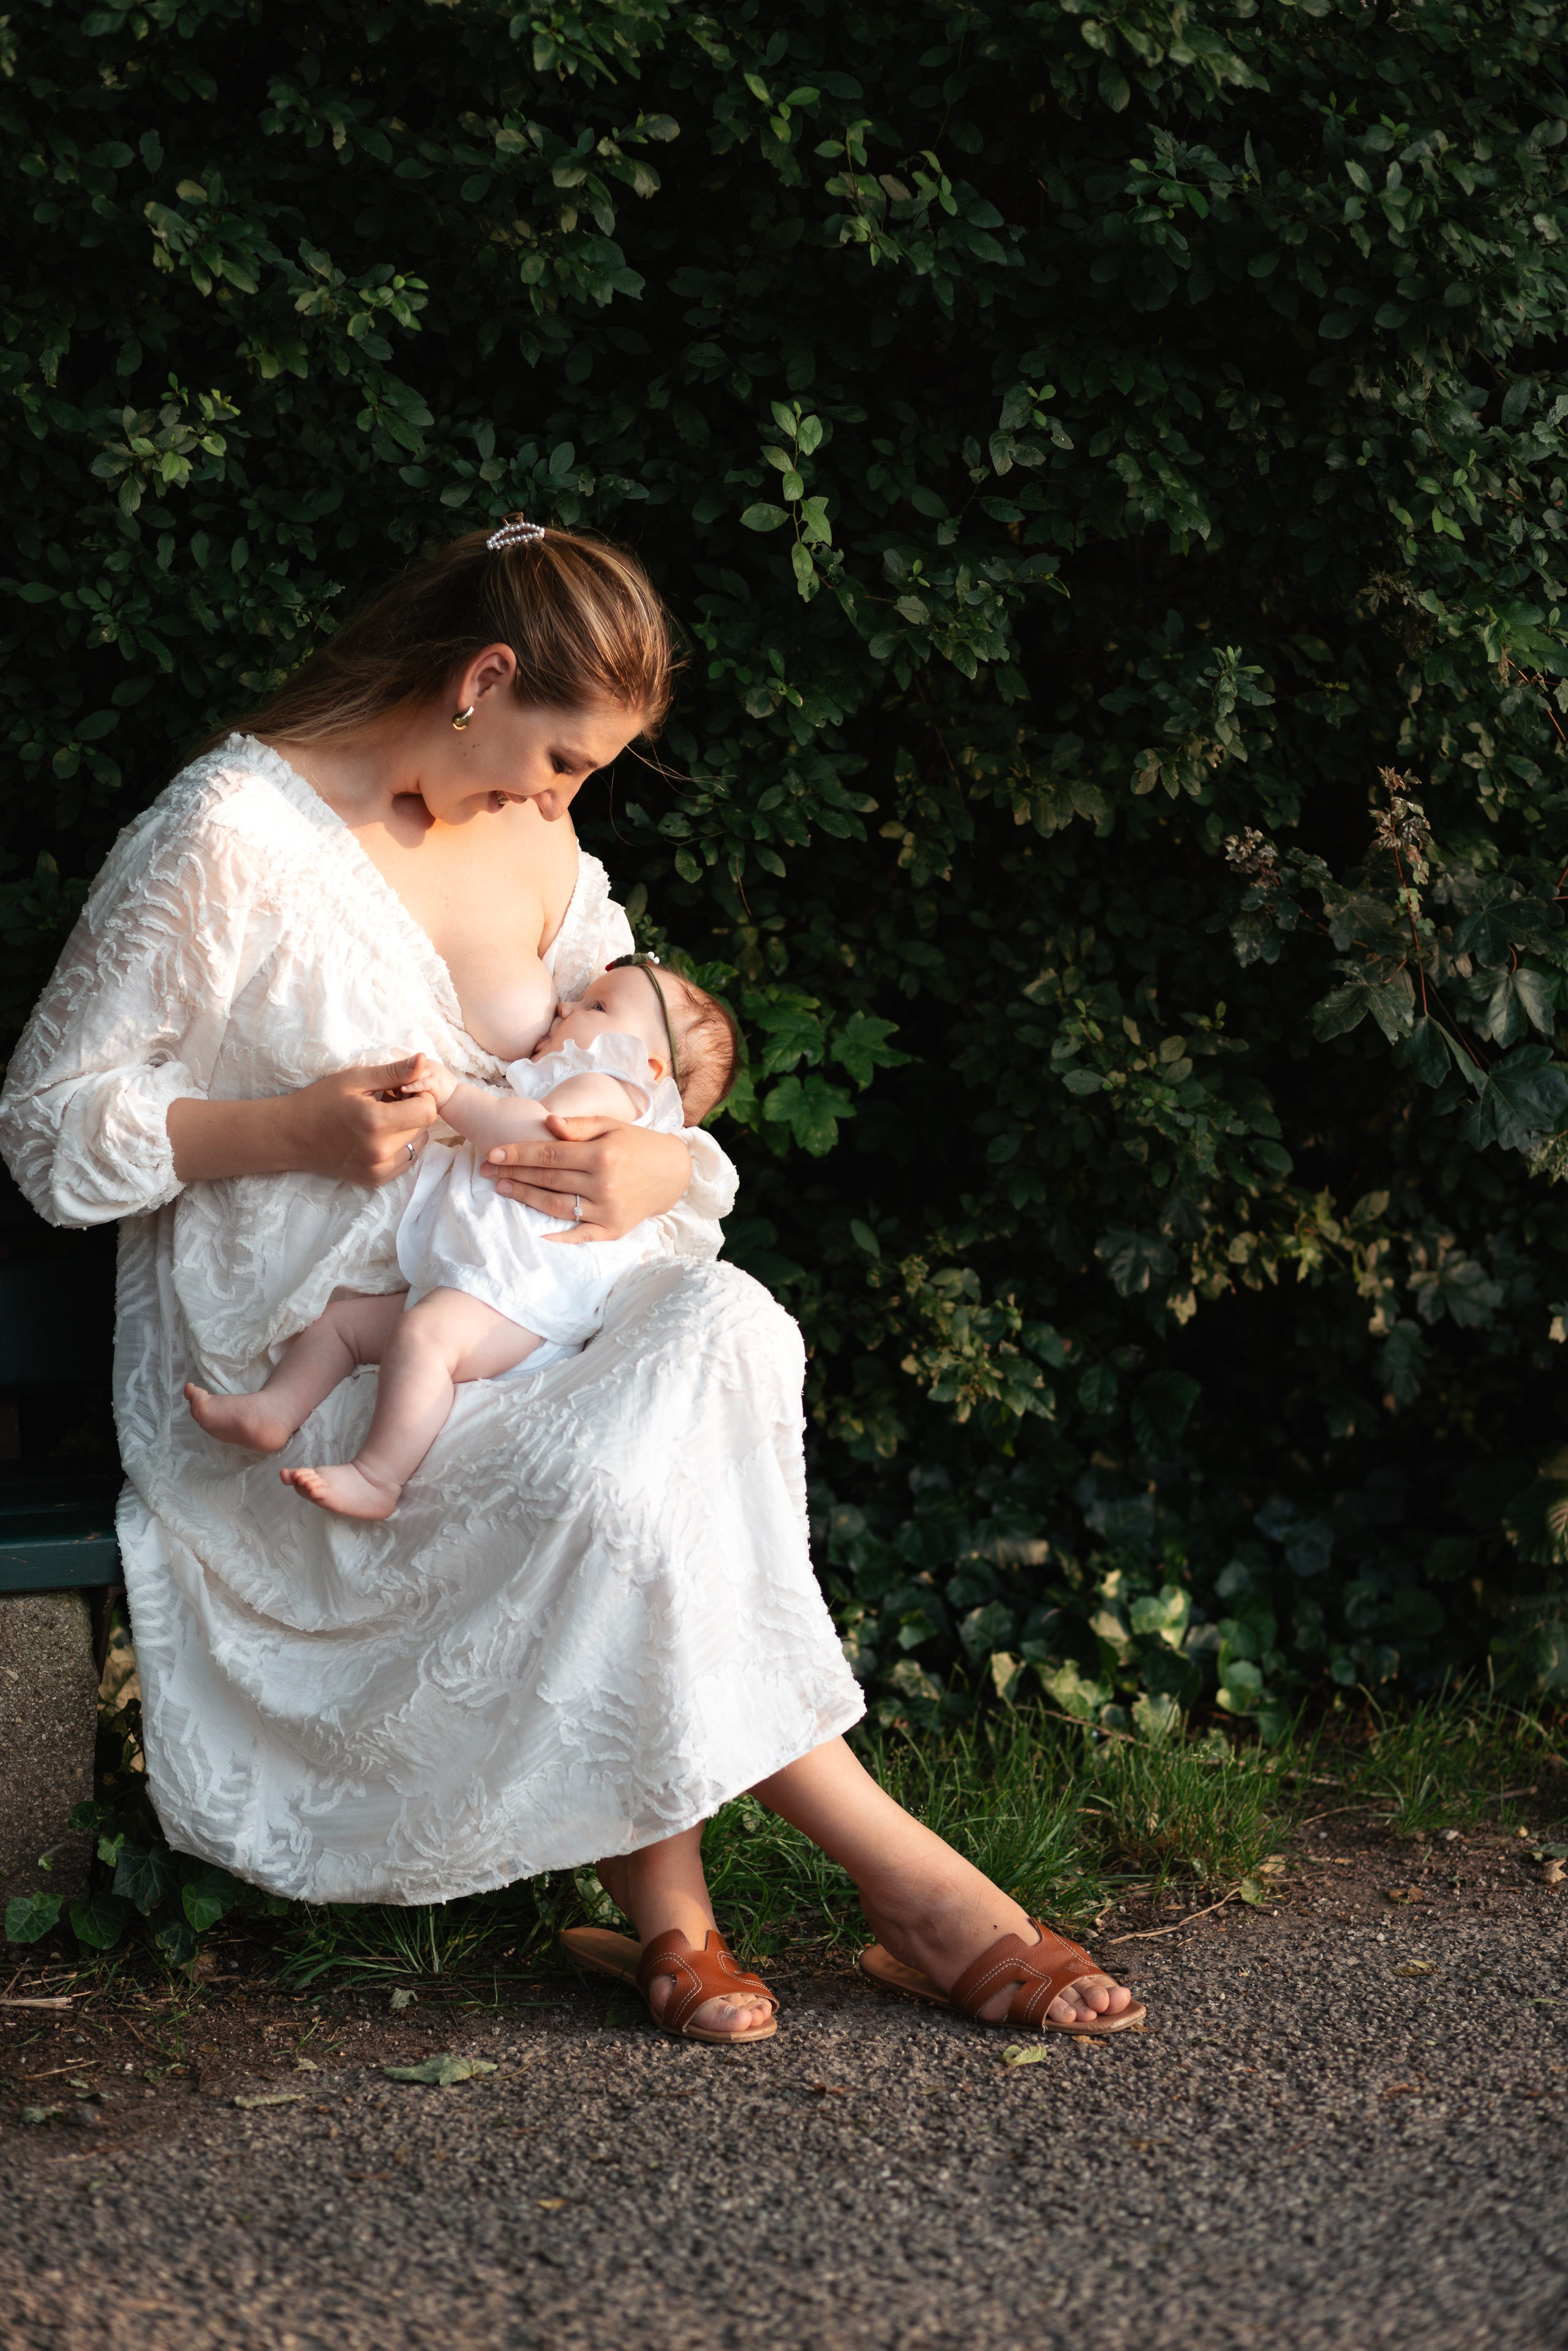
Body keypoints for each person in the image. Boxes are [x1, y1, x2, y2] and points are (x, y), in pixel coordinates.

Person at [0, 515, 1141, 2044]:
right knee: (605, 1475)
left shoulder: (538, 844)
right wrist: (290, 1128)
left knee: (726, 1328)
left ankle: (676, 1923)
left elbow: (644, 1063)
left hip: (534, 1298)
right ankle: (909, 1892)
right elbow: (50, 1125)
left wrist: (659, 1167)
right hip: (325, 1363)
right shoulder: (229, 833)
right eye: (561, 759)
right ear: (481, 677)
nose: (563, 801)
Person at [184, 957, 739, 1520]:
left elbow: (528, 1139)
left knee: (424, 1338)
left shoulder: (612, 1089)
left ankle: (378, 1476)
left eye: (597, 1006)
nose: (566, 1005)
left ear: (648, 1065)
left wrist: (453, 1096)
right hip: (488, 1284)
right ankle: (275, 1410)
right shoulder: (577, 1082)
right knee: (340, 1328)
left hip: (523, 1297)